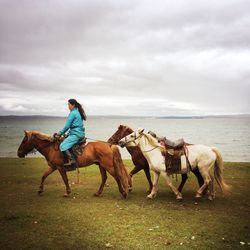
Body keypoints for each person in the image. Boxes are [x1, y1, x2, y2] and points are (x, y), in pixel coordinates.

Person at [54, 99, 86, 169]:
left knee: (62, 145)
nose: (68, 106)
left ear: (73, 105)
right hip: (78, 133)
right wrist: (68, 134)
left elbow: (67, 126)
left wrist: (59, 134)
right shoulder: (78, 112)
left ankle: (72, 160)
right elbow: (74, 126)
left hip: (76, 134)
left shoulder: (73, 113)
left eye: (69, 104)